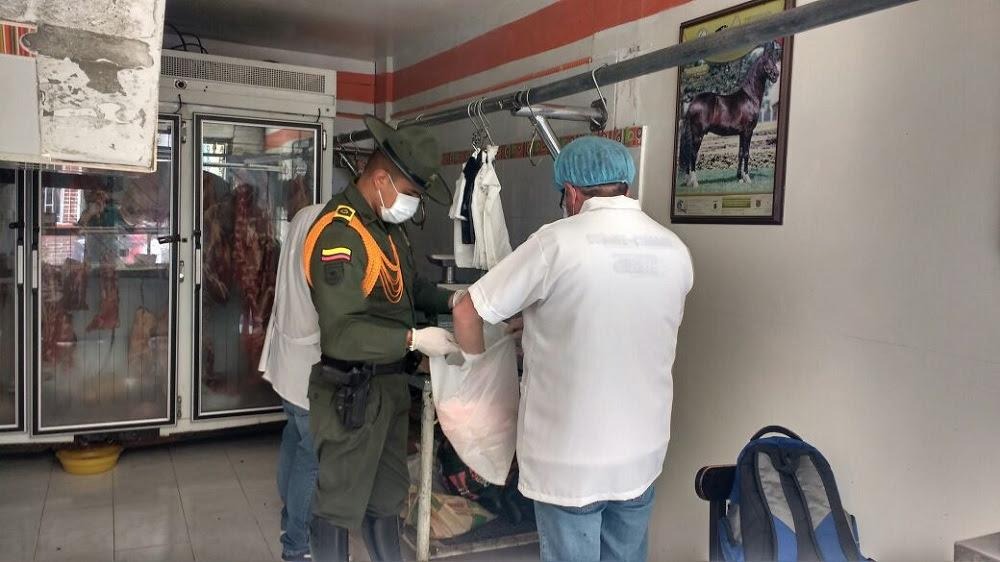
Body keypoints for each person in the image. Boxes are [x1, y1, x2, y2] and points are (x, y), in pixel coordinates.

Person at [452, 136, 694, 562]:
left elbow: (467, 311)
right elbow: (622, 317)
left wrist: (477, 385)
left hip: (570, 457)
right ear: (625, 186)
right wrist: (538, 323)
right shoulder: (674, 249)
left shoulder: (557, 242)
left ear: (571, 193)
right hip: (641, 453)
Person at [304, 115, 462, 562]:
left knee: (388, 497)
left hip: (390, 389)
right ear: (380, 180)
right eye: (411, 194)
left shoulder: (388, 230)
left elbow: (409, 289)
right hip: (352, 392)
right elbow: (341, 332)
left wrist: (455, 300)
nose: (413, 204)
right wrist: (414, 339)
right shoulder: (341, 233)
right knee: (339, 504)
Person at [259, 202, 327, 562]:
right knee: (311, 452)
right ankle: (297, 545)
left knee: (294, 436)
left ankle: (290, 518)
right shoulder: (331, 224)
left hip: (287, 355)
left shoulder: (305, 214)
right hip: (307, 360)